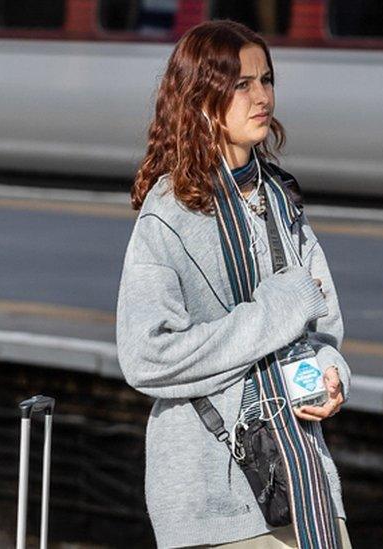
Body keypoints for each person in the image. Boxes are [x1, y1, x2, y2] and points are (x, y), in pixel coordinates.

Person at [116, 20, 352, 548]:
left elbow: (323, 326)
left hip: (303, 483)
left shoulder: (282, 202)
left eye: (266, 79)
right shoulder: (168, 216)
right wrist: (276, 311)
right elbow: (146, 357)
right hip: (211, 491)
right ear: (200, 96)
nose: (262, 96)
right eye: (241, 84)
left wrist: (333, 376)